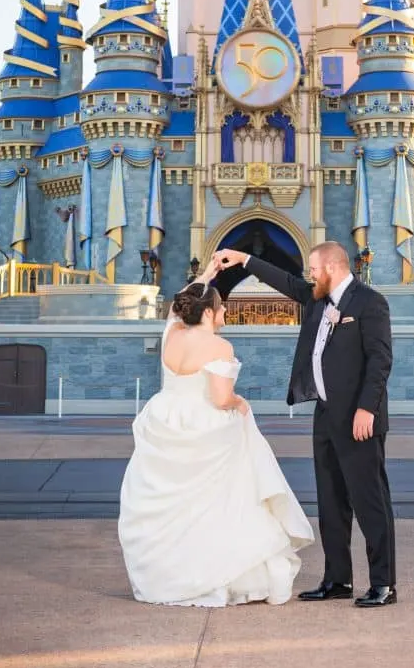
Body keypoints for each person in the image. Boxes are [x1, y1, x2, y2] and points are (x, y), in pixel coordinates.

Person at [118, 259, 313, 606]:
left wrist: (205, 276)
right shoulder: (219, 347)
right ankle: (220, 574)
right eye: (222, 306)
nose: (226, 312)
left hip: (166, 417)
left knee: (177, 505)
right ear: (208, 312)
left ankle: (170, 575)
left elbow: (180, 301)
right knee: (219, 503)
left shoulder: (172, 333)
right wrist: (240, 403)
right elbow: (221, 398)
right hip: (204, 424)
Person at [216, 242, 396, 608]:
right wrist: (245, 260)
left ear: (331, 266)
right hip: (326, 414)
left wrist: (367, 409)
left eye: (313, 269)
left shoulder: (369, 302)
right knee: (331, 502)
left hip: (359, 418)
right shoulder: (317, 298)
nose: (309, 276)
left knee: (369, 502)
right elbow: (285, 282)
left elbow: (380, 360)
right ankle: (337, 580)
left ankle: (383, 584)